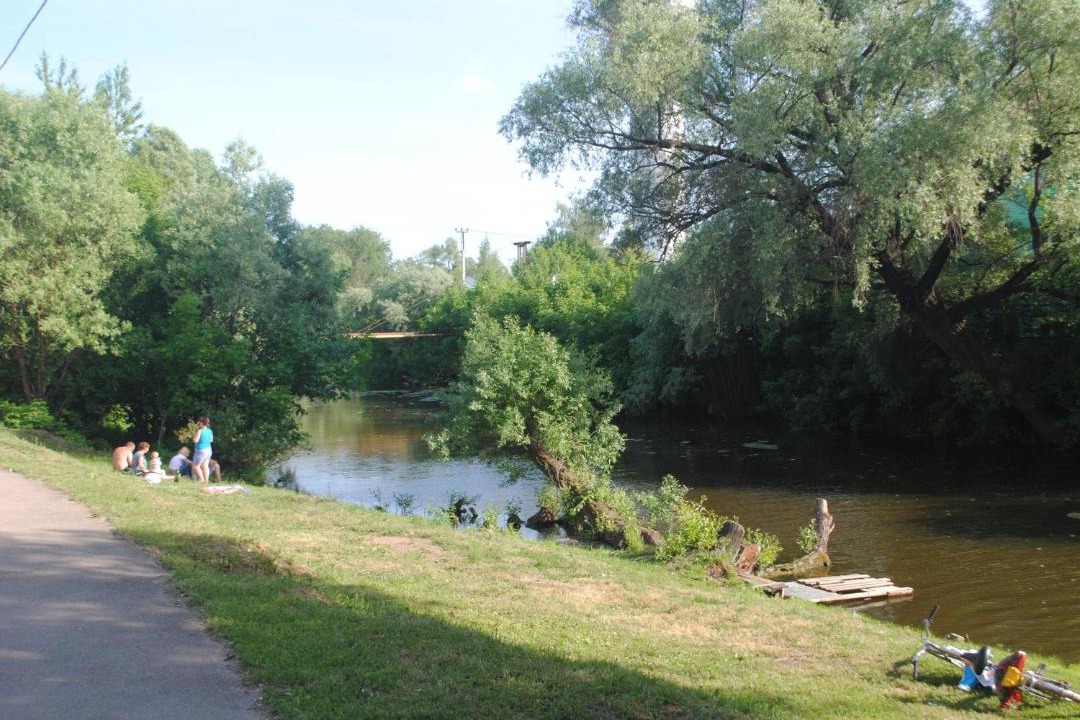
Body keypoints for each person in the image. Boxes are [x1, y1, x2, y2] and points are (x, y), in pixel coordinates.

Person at [191, 417, 214, 484]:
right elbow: (211, 440)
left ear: (201, 423)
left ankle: (201, 479)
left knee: (195, 466)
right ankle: (206, 481)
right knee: (205, 466)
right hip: (208, 450)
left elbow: (195, 440)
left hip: (201, 450)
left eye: (199, 423)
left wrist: (194, 436)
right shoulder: (210, 431)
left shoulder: (200, 431)